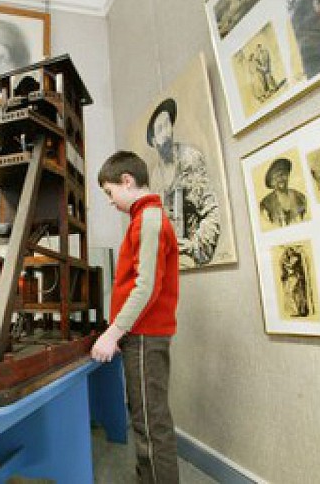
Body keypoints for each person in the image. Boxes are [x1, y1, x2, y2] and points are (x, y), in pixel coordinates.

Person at [91, 150, 180, 483]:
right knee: (145, 417)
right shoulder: (143, 219)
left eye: (110, 193)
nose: (111, 202)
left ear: (126, 181)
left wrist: (113, 332)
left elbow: (145, 288)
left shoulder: (150, 219)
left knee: (150, 424)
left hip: (145, 336)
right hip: (141, 335)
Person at [146, 97, 221, 266]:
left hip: (193, 255)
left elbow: (212, 211)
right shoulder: (155, 175)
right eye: (160, 129)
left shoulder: (190, 158)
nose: (167, 132)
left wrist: (194, 247)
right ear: (153, 141)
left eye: (168, 124)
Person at [259, 157, 308, 228]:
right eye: (276, 177)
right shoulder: (266, 203)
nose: (280, 179)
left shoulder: (300, 197)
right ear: (271, 182)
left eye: (283, 175)